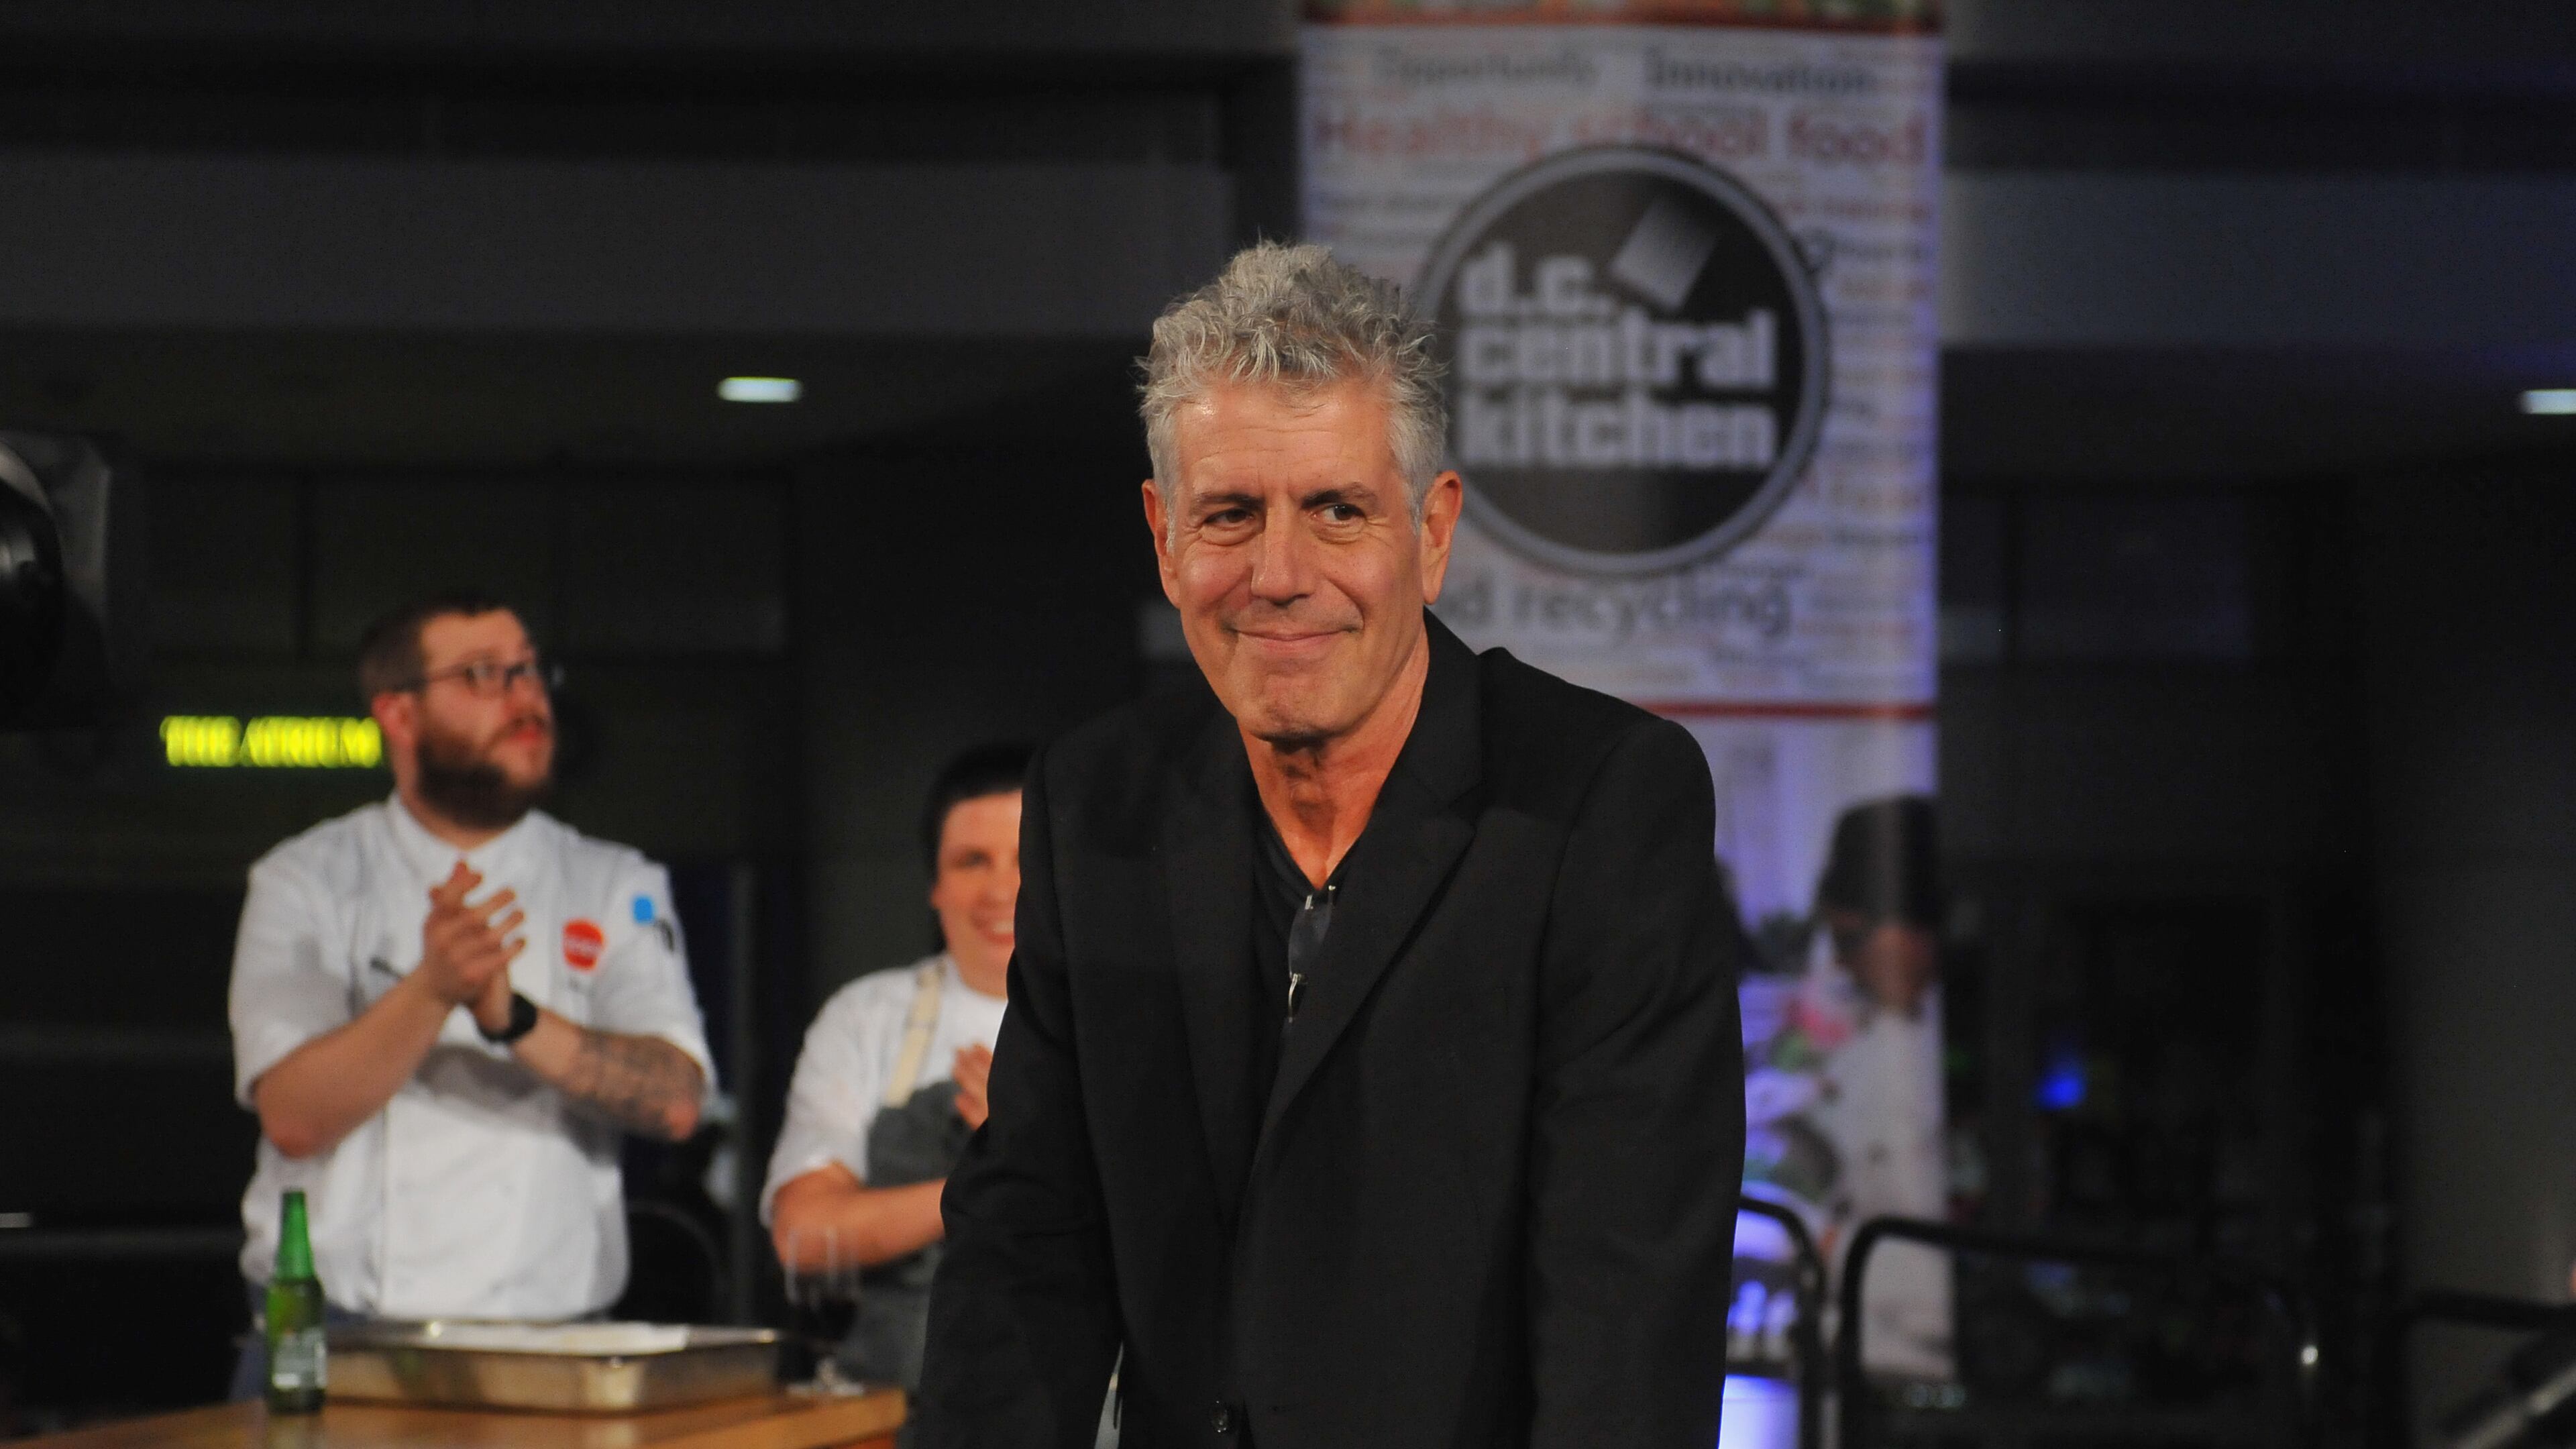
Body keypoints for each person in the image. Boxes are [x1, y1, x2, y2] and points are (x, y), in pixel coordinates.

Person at [918, 242, 1746, 1448]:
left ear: (1433, 530)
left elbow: (1626, 1319)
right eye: (1231, 516)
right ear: (1163, 537)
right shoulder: (1098, 803)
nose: (1279, 576)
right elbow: (1027, 1250)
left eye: (1338, 511)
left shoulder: (1600, 802)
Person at [225, 592, 712, 1395]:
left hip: (555, 1346)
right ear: (398, 714)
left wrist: (510, 1017)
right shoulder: (305, 880)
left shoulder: (614, 881)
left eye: (529, 671)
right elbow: (294, 1115)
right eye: (483, 676)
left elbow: (676, 1102)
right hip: (337, 1338)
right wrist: (431, 990)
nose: (525, 699)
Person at [763, 744, 1029, 1401]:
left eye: (1029, 861)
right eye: (973, 861)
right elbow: (804, 1237)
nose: (1001, 889)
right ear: (935, 885)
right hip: (888, 1414)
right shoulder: (868, 1017)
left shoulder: (1129, 1022)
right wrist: (987, 1179)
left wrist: (1036, 1145)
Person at [1805, 794, 1949, 1379]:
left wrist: (1830, 1248)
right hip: (1853, 1348)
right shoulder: (1872, 1044)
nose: (1843, 965)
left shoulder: (1941, 1061)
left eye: (1850, 940)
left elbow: (1929, 1266)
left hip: (1913, 1358)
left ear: (1913, 933)